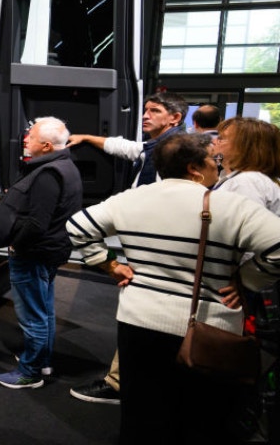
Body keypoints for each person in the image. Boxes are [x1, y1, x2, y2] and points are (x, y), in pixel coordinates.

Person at [68, 133, 280, 444]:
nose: (219, 167)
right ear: (195, 168)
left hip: (137, 322)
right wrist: (249, 279)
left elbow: (76, 226)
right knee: (201, 418)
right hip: (210, 326)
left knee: (142, 412)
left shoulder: (130, 199)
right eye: (214, 161)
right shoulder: (232, 206)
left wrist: (109, 265)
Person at [65, 90, 188, 404]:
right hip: (155, 244)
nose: (145, 115)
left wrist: (110, 261)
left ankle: (120, 383)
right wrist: (87, 137)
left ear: (175, 118)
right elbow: (127, 148)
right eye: (146, 109)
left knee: (140, 314)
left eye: (154, 110)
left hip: (157, 245)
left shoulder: (174, 152)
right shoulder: (158, 146)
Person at [0, 117, 83, 389]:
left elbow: (36, 223)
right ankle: (42, 361)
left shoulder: (48, 174)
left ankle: (30, 372)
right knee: (44, 311)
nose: (25, 139)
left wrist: (16, 245)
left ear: (46, 146)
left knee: (33, 317)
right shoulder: (65, 166)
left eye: (30, 136)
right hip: (50, 251)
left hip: (33, 253)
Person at [212, 116, 280, 215]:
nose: (214, 141)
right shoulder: (245, 178)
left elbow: (246, 223)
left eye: (221, 138)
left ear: (246, 148)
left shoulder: (247, 182)